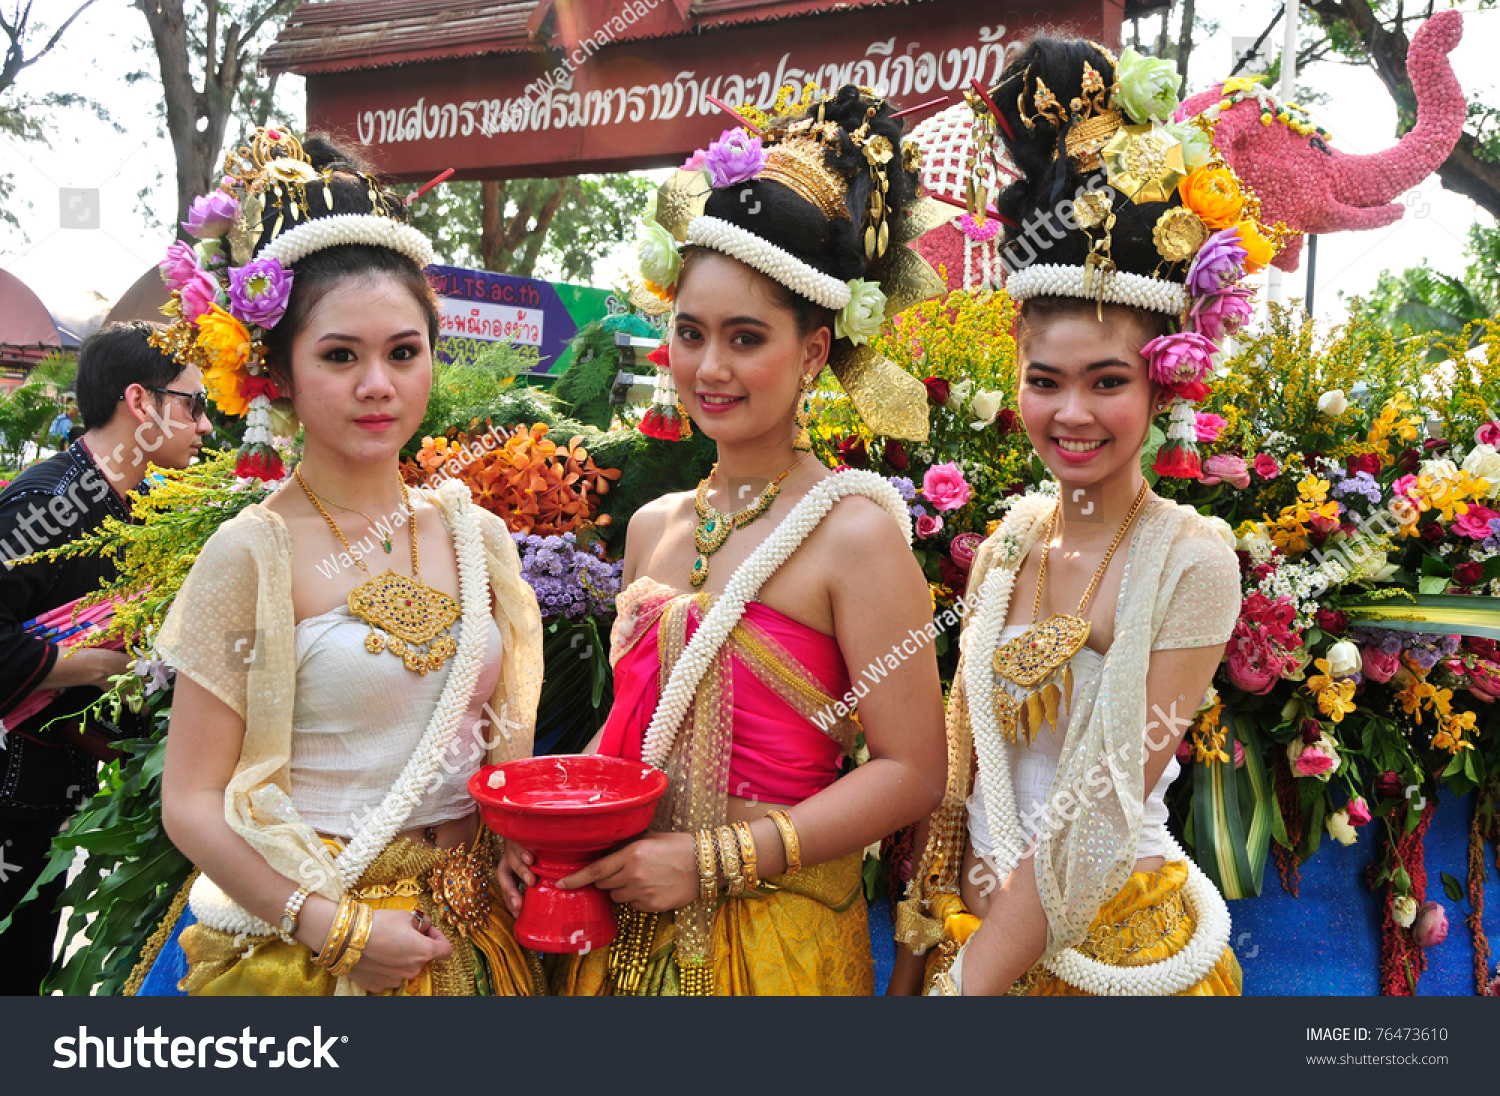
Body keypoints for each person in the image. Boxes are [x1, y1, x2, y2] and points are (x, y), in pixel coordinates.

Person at [511, 86, 948, 996]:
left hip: (772, 944)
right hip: (622, 922)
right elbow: (633, 729)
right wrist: (548, 827)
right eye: (691, 333)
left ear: (815, 353)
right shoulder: (653, 525)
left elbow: (913, 771)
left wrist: (713, 862)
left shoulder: (853, 532)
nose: (709, 368)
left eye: (746, 339)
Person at [890, 35, 1256, 995]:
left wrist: (965, 994)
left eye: (1108, 382)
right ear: (1016, 372)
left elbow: (1099, 812)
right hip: (969, 941)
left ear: (1165, 380)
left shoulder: (1193, 562)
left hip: (1116, 951)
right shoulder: (1007, 542)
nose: (1073, 414)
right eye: (1046, 381)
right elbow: (964, 773)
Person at [147, 129, 544, 996]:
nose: (379, 384)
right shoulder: (252, 553)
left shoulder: (471, 537)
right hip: (315, 944)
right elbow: (191, 802)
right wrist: (337, 931)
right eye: (340, 356)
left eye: (404, 352)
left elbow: (483, 746)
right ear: (276, 374)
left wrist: (513, 834)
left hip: (473, 934)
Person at [0, 321, 211, 994]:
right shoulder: (48, 503)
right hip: (8, 786)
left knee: (26, 964)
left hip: (51, 788)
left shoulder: (140, 507)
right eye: (194, 403)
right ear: (140, 403)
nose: (206, 426)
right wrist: (94, 667)